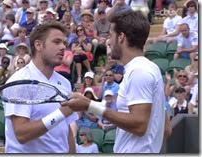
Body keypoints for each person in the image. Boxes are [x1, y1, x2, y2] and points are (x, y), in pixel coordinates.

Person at [62, 11, 166, 153]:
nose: (109, 42)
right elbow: (166, 129)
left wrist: (89, 105)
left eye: (111, 36)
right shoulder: (149, 68)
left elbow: (139, 126)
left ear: (121, 37)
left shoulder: (139, 71)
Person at [4, 21, 78, 153]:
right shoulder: (19, 81)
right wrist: (61, 113)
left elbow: (67, 134)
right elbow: (22, 134)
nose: (62, 47)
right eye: (56, 42)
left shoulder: (65, 83)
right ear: (38, 45)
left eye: (64, 44)